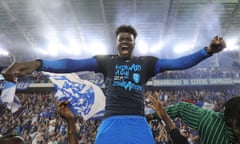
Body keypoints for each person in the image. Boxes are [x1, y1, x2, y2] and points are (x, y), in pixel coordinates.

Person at [2, 25, 226, 144]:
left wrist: (206, 51)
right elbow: (72, 63)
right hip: (111, 124)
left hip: (139, 123)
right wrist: (39, 64)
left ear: (134, 43)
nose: (125, 41)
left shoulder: (147, 63)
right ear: (117, 44)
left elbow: (178, 63)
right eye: (121, 39)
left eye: (129, 39)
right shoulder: (106, 61)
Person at [150, 96, 240, 144]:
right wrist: (162, 117)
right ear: (230, 119)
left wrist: (164, 118)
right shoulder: (211, 122)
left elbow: (181, 107)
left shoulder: (211, 121)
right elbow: (181, 108)